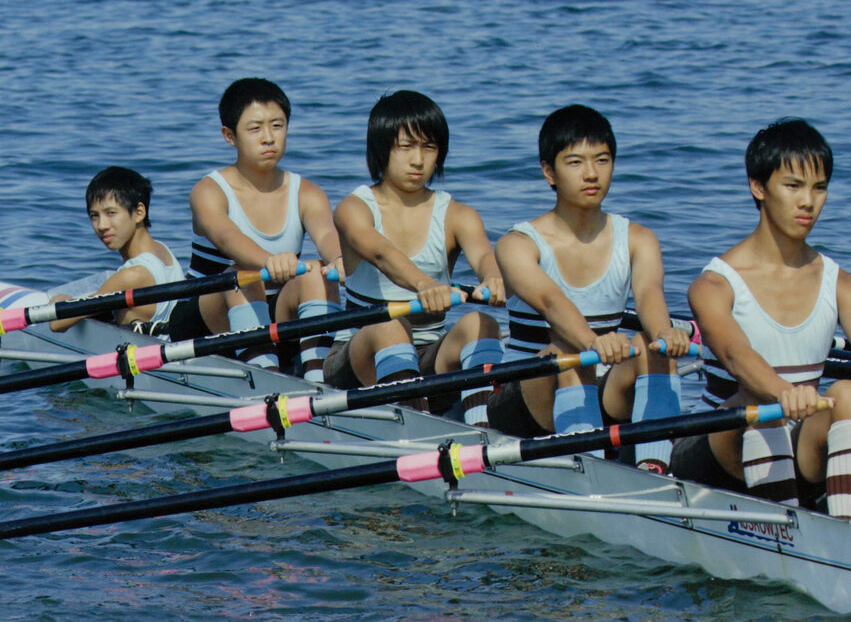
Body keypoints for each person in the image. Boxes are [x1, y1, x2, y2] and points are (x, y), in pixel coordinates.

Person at [673, 118, 851, 518]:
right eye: (793, 186)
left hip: (797, 440)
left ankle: (847, 529)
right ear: (758, 187)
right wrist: (781, 391)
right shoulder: (715, 285)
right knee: (759, 397)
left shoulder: (840, 282)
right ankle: (785, 532)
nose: (808, 202)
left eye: (819, 188)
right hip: (716, 450)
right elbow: (735, 354)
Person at [486, 105, 691, 471]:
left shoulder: (639, 239)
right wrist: (592, 342)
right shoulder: (517, 244)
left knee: (650, 346)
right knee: (570, 350)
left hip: (597, 383)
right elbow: (552, 303)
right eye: (575, 162)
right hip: (522, 396)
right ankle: (588, 471)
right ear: (549, 172)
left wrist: (665, 335)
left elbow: (649, 294)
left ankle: (655, 471)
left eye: (602, 160)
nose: (592, 173)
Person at [322, 90, 505, 425]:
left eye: (429, 147)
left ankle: (485, 434)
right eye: (405, 147)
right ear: (382, 149)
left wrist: (493, 278)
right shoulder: (354, 208)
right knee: (391, 327)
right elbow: (381, 254)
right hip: (358, 360)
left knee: (483, 323)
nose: (418, 160)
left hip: (427, 357)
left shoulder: (459, 215)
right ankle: (414, 430)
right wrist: (424, 284)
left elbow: (483, 256)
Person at [168, 78, 344, 381]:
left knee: (318, 271)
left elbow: (327, 234)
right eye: (255, 129)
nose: (268, 138)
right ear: (230, 136)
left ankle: (318, 382)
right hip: (203, 317)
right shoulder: (209, 191)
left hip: (272, 313)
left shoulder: (308, 193)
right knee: (243, 275)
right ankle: (264, 379)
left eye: (277, 126)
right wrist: (268, 261)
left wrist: (339, 259)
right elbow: (227, 237)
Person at [50, 166, 183, 333]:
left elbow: (57, 324)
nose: (102, 226)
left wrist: (58, 301)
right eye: (94, 215)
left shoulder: (132, 275)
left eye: (111, 213)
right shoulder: (163, 250)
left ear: (139, 212)